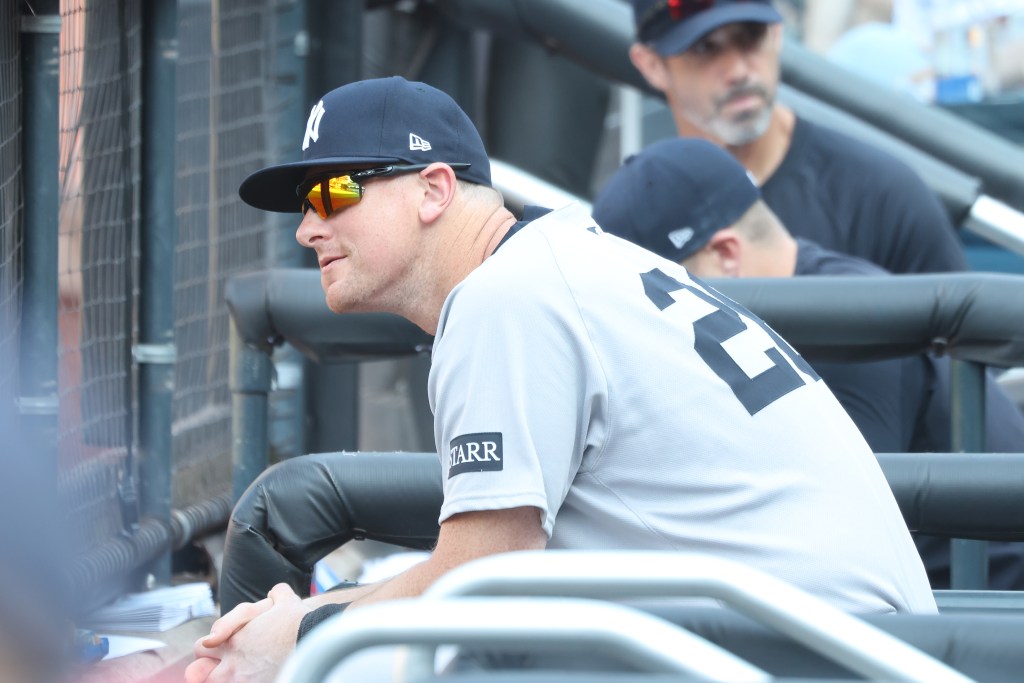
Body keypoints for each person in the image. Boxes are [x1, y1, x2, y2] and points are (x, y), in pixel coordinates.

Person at [187, 76, 935, 683]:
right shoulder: (563, 259)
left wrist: (304, 631)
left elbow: (481, 580)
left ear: (434, 190)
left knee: (370, 664)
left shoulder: (506, 295)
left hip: (821, 650)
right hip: (837, 633)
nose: (307, 227)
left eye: (334, 193)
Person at [591, 135, 1024, 588]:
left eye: (655, 293)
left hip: (989, 615)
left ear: (725, 256)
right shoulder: (803, 305)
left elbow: (825, 544)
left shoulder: (847, 328)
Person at [627, 0, 968, 274]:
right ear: (652, 66)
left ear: (776, 35)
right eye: (703, 48)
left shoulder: (880, 192)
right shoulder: (637, 220)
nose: (738, 70)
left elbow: (962, 345)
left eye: (750, 35)